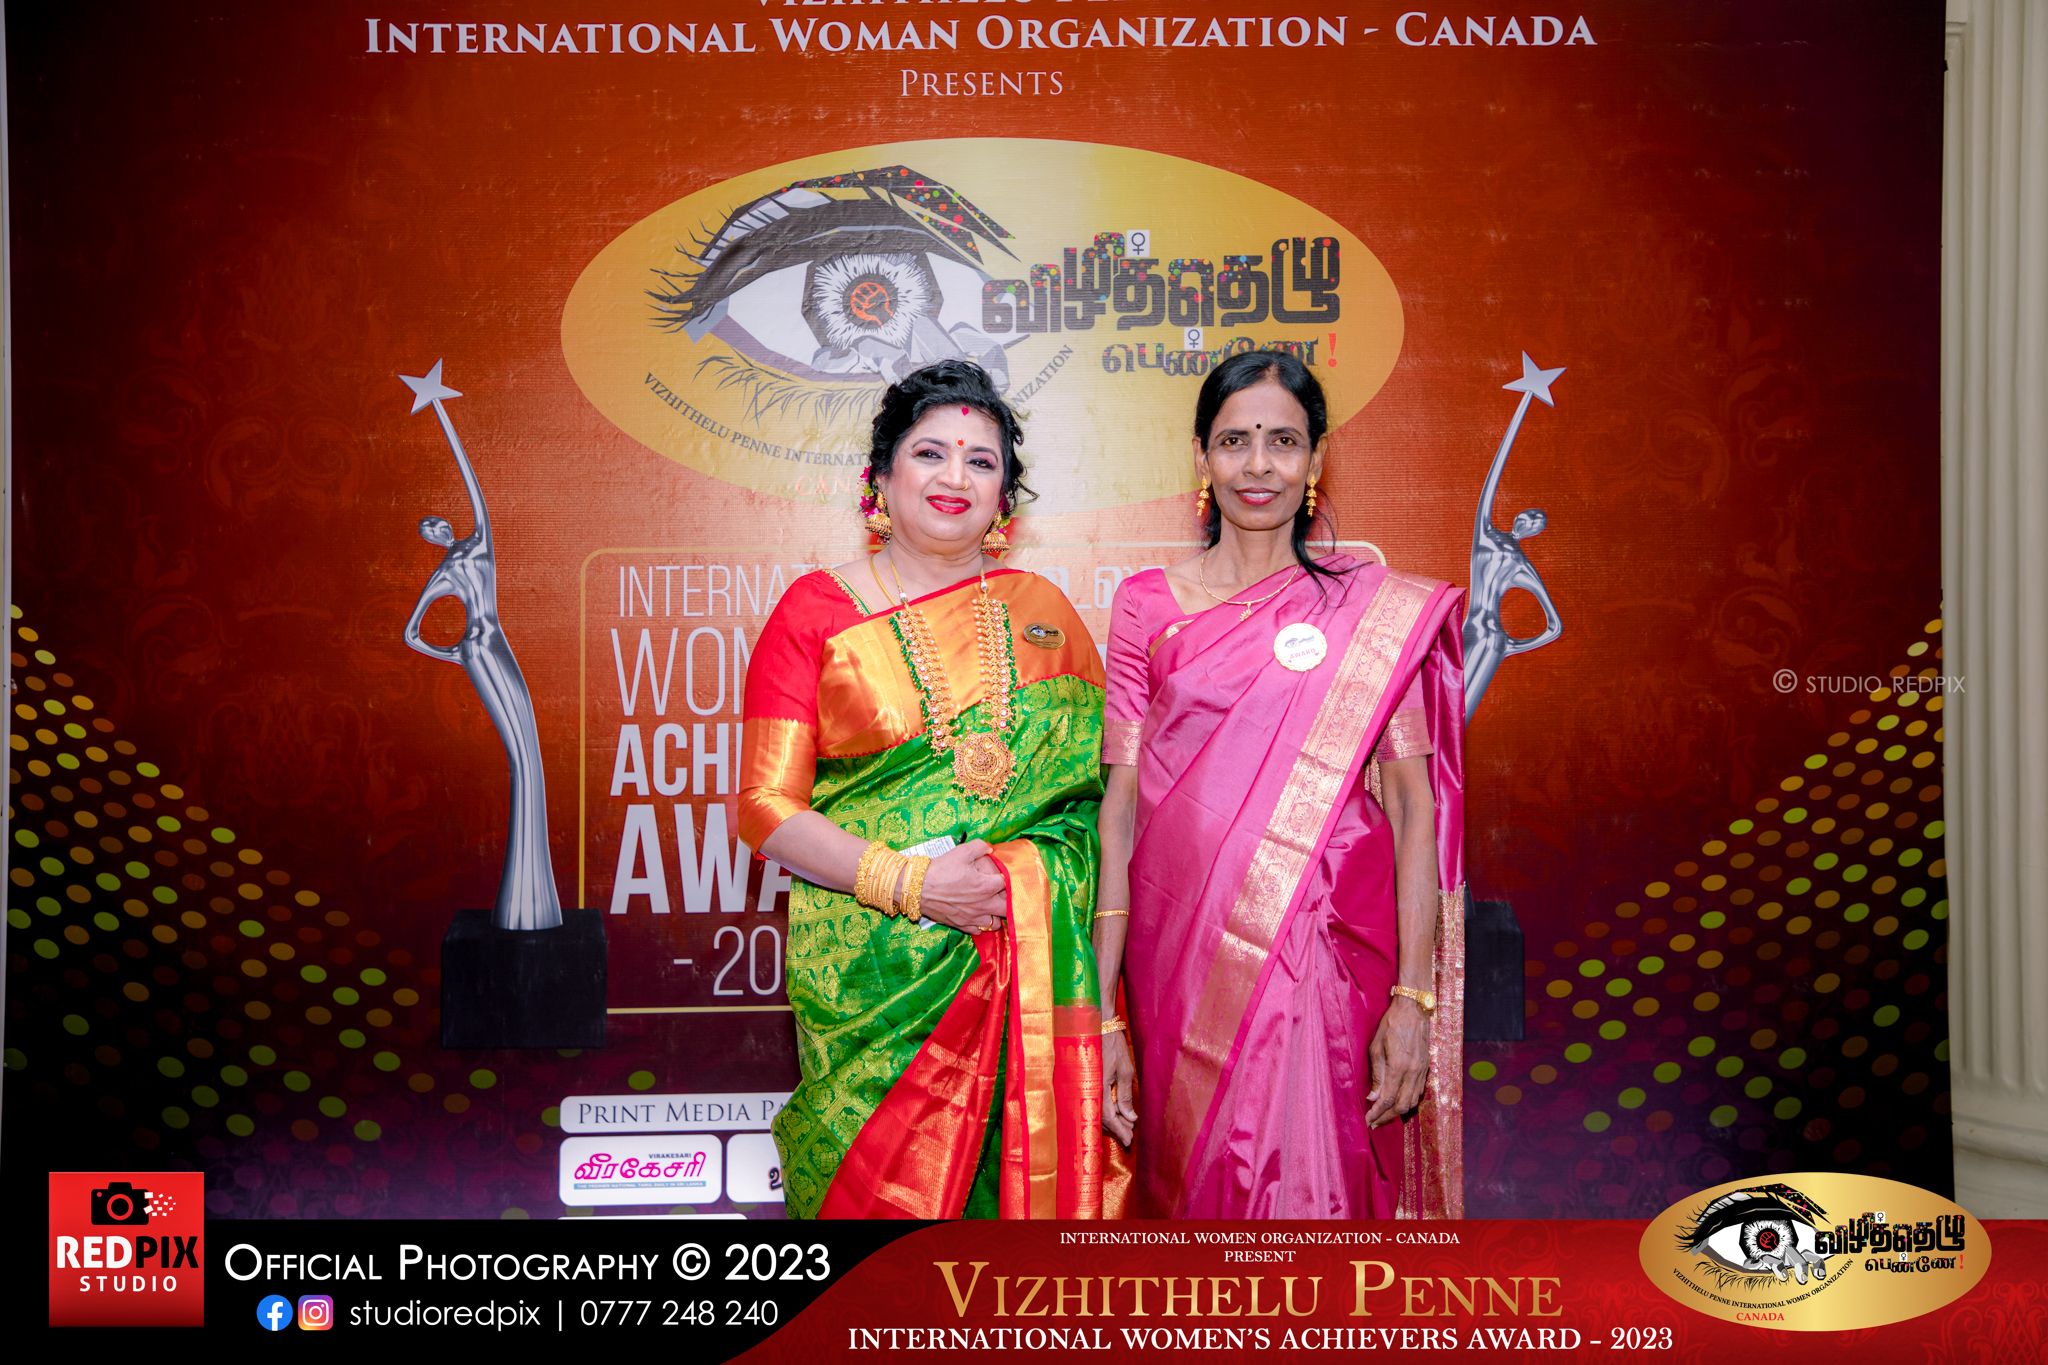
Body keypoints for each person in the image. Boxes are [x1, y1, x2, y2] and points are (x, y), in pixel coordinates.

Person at [1093, 349, 1467, 1219]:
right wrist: (1104, 1012)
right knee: (1193, 1201)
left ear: (1316, 456)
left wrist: (1414, 999)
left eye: (1283, 441)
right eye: (1234, 441)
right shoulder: (1147, 604)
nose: (1257, 465)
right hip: (1176, 965)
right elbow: (1120, 810)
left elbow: (1412, 807)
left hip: (1322, 953)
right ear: (1200, 454)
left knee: (1315, 1195)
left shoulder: (1368, 611)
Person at [738, 359, 1109, 1219]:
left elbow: (1100, 808)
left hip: (1035, 983)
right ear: (881, 477)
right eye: (930, 453)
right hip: (877, 979)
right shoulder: (815, 611)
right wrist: (917, 884)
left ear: (1005, 497)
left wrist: (1026, 880)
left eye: (982, 461)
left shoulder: (1047, 613)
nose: (955, 477)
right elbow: (763, 808)